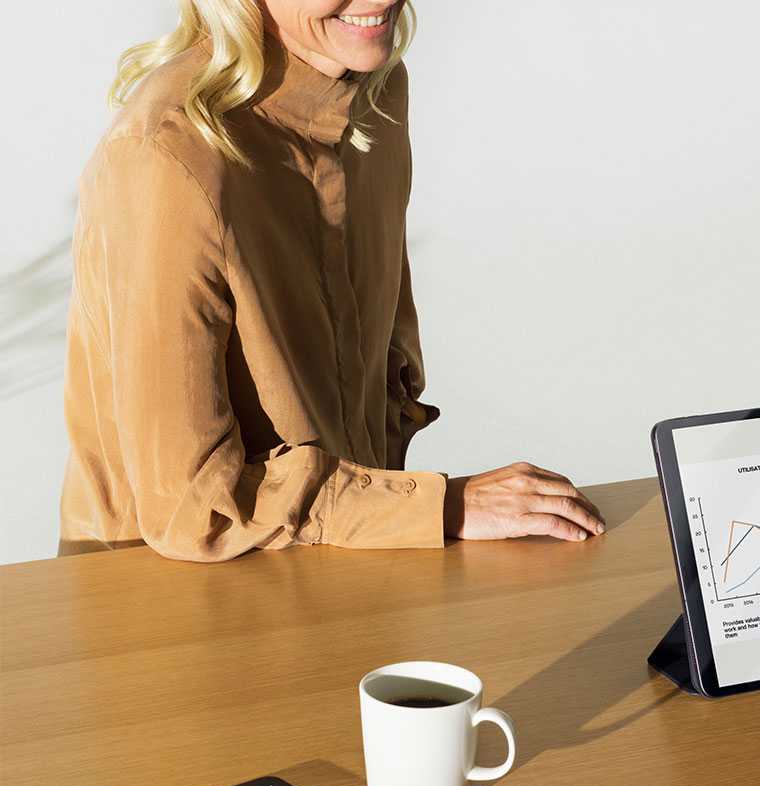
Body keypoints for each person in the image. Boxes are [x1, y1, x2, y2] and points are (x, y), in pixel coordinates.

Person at [59, 0, 605, 561]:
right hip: (160, 603)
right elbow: (191, 506)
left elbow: (375, 379)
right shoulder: (168, 155)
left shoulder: (374, 92)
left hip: (331, 566)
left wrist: (399, 513)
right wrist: (435, 507)